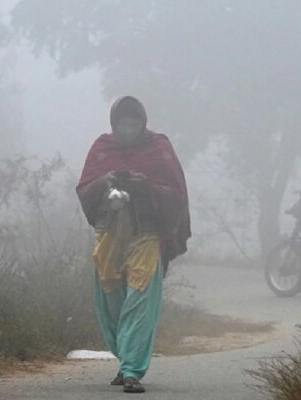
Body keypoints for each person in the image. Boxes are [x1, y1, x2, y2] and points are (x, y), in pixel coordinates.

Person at [76, 96, 190, 394]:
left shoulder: (159, 148)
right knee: (112, 301)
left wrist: (145, 186)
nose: (129, 129)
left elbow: (176, 195)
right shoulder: (102, 148)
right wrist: (106, 181)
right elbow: (85, 189)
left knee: (139, 301)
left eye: (134, 123)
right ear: (114, 125)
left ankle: (131, 371)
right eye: (123, 123)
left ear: (143, 123)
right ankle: (125, 358)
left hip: (147, 236)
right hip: (109, 235)